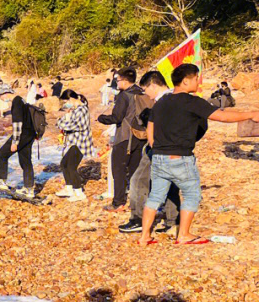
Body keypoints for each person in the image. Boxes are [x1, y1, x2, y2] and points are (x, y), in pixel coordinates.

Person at [138, 63, 259, 246]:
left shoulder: (161, 102)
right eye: (196, 78)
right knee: (192, 194)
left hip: (159, 157)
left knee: (155, 196)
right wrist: (250, 114)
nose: (198, 81)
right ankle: (184, 234)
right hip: (181, 158)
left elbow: (150, 127)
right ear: (186, 81)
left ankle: (144, 236)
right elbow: (222, 116)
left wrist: (158, 148)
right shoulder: (192, 102)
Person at [119, 70, 178, 233]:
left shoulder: (164, 101)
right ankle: (172, 220)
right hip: (170, 147)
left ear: (153, 85)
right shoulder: (174, 97)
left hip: (159, 147)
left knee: (138, 180)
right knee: (169, 182)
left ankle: (137, 218)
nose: (146, 94)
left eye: (146, 89)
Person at [97, 68, 145, 211]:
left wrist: (101, 118)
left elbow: (117, 117)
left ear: (124, 80)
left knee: (118, 169)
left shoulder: (125, 95)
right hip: (141, 136)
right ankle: (138, 202)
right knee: (135, 170)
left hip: (125, 136)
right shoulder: (142, 92)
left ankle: (118, 202)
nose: (116, 83)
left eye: (117, 80)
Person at [0, 94, 39, 198]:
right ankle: (29, 190)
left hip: (22, 134)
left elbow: (17, 123)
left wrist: (15, 142)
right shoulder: (21, 99)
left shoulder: (16, 102)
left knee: (2, 154)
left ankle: (0, 181)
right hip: (30, 134)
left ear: (5, 94)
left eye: (1, 96)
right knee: (26, 161)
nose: (2, 99)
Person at [54, 89, 94, 201]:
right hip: (74, 142)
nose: (66, 104)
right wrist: (64, 118)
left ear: (72, 99)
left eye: (66, 101)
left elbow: (74, 126)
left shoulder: (82, 110)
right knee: (64, 164)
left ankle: (79, 192)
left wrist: (60, 123)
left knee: (71, 166)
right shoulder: (75, 110)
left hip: (81, 142)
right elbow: (64, 122)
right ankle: (69, 188)